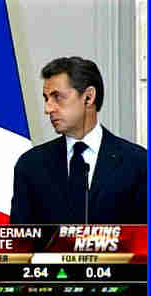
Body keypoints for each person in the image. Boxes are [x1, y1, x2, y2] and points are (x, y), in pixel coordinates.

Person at [10, 57, 146, 224]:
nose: (48, 108)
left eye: (57, 97)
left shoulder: (138, 163)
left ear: (88, 97)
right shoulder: (30, 165)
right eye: (46, 98)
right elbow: (20, 244)